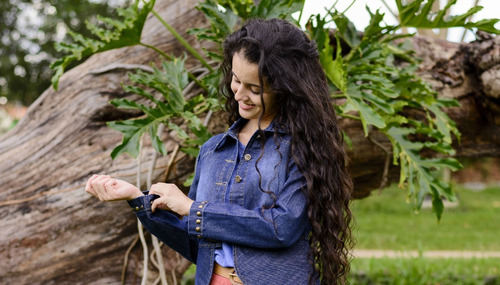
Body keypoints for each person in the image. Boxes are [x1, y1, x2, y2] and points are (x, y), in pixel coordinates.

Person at [86, 18, 354, 285]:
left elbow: (281, 228)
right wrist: (137, 199)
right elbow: (198, 244)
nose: (239, 94)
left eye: (255, 89)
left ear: (286, 89)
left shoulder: (301, 148)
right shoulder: (213, 150)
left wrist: (193, 209)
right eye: (236, 80)